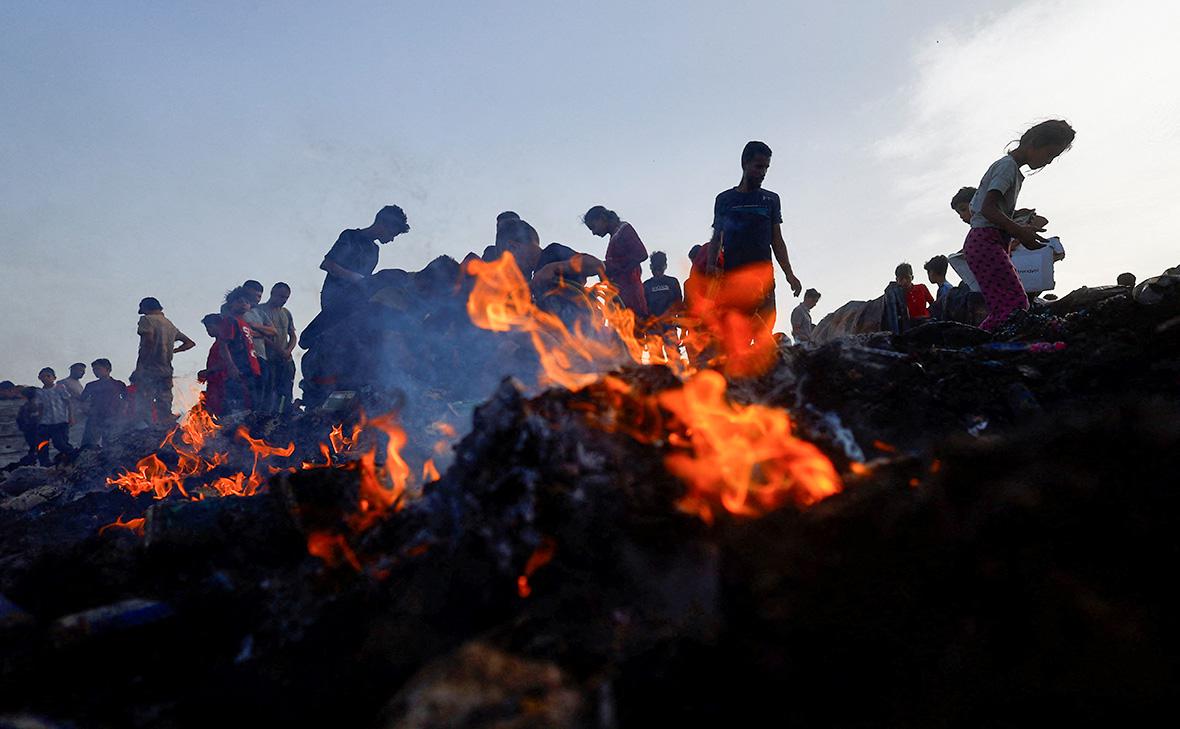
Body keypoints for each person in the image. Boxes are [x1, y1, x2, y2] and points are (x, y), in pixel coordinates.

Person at [964, 120, 1076, 330]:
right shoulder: (1007, 167)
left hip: (988, 241)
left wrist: (1021, 223)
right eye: (1050, 154)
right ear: (1034, 143)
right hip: (985, 242)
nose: (1048, 162)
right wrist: (1020, 232)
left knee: (1007, 306)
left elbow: (982, 208)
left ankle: (982, 345)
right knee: (1013, 306)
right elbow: (988, 208)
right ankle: (985, 346)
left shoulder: (1010, 168)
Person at [704, 141, 803, 373]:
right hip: (734, 281)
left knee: (763, 338)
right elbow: (716, 236)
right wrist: (711, 265)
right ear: (744, 164)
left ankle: (765, 389)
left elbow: (776, 240)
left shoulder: (770, 200)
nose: (763, 173)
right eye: (758, 167)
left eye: (766, 168)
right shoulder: (725, 200)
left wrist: (790, 274)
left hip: (764, 282)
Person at [319, 205, 410, 313]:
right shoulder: (351, 236)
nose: (392, 239)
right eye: (392, 234)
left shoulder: (374, 250)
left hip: (354, 303)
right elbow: (327, 264)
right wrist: (356, 278)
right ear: (382, 225)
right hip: (334, 299)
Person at [131, 297, 195, 425]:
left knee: (144, 401)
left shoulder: (147, 319)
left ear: (146, 308)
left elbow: (148, 342)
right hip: (166, 369)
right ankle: (164, 428)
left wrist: (140, 366)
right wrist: (173, 351)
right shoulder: (169, 324)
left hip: (149, 368)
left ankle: (146, 430)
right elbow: (190, 343)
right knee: (164, 403)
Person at [583, 206, 650, 318]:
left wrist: (610, 267)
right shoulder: (614, 237)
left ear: (602, 218)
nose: (594, 233)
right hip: (620, 300)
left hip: (631, 300)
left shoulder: (624, 230)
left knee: (633, 333)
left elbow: (641, 254)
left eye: (593, 227)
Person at [262, 282, 298, 414]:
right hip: (269, 360)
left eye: (286, 297)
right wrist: (279, 350)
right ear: (272, 293)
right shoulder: (260, 311)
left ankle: (284, 417)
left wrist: (288, 350)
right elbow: (260, 337)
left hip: (286, 360)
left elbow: (293, 335)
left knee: (286, 392)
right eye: (281, 296)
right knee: (270, 392)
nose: (283, 300)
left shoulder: (286, 313)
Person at [80, 359, 126, 448]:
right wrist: (86, 410)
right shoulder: (91, 385)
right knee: (88, 443)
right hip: (95, 417)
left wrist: (122, 411)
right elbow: (82, 400)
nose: (95, 371)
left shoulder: (118, 384)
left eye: (98, 369)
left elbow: (126, 400)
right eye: (93, 369)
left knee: (110, 443)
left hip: (113, 417)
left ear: (108, 369)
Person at [36, 367, 75, 464]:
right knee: (42, 445)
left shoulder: (60, 388)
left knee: (60, 443)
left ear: (54, 377)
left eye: (48, 376)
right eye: (43, 376)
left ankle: (73, 455)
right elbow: (40, 407)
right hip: (45, 423)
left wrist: (71, 416)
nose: (45, 378)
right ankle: (45, 464)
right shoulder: (39, 392)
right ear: (39, 378)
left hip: (60, 421)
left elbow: (68, 402)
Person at [15, 387, 42, 466]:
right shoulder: (28, 406)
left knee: (35, 447)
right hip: (32, 431)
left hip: (32, 431)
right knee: (35, 447)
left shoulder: (27, 406)